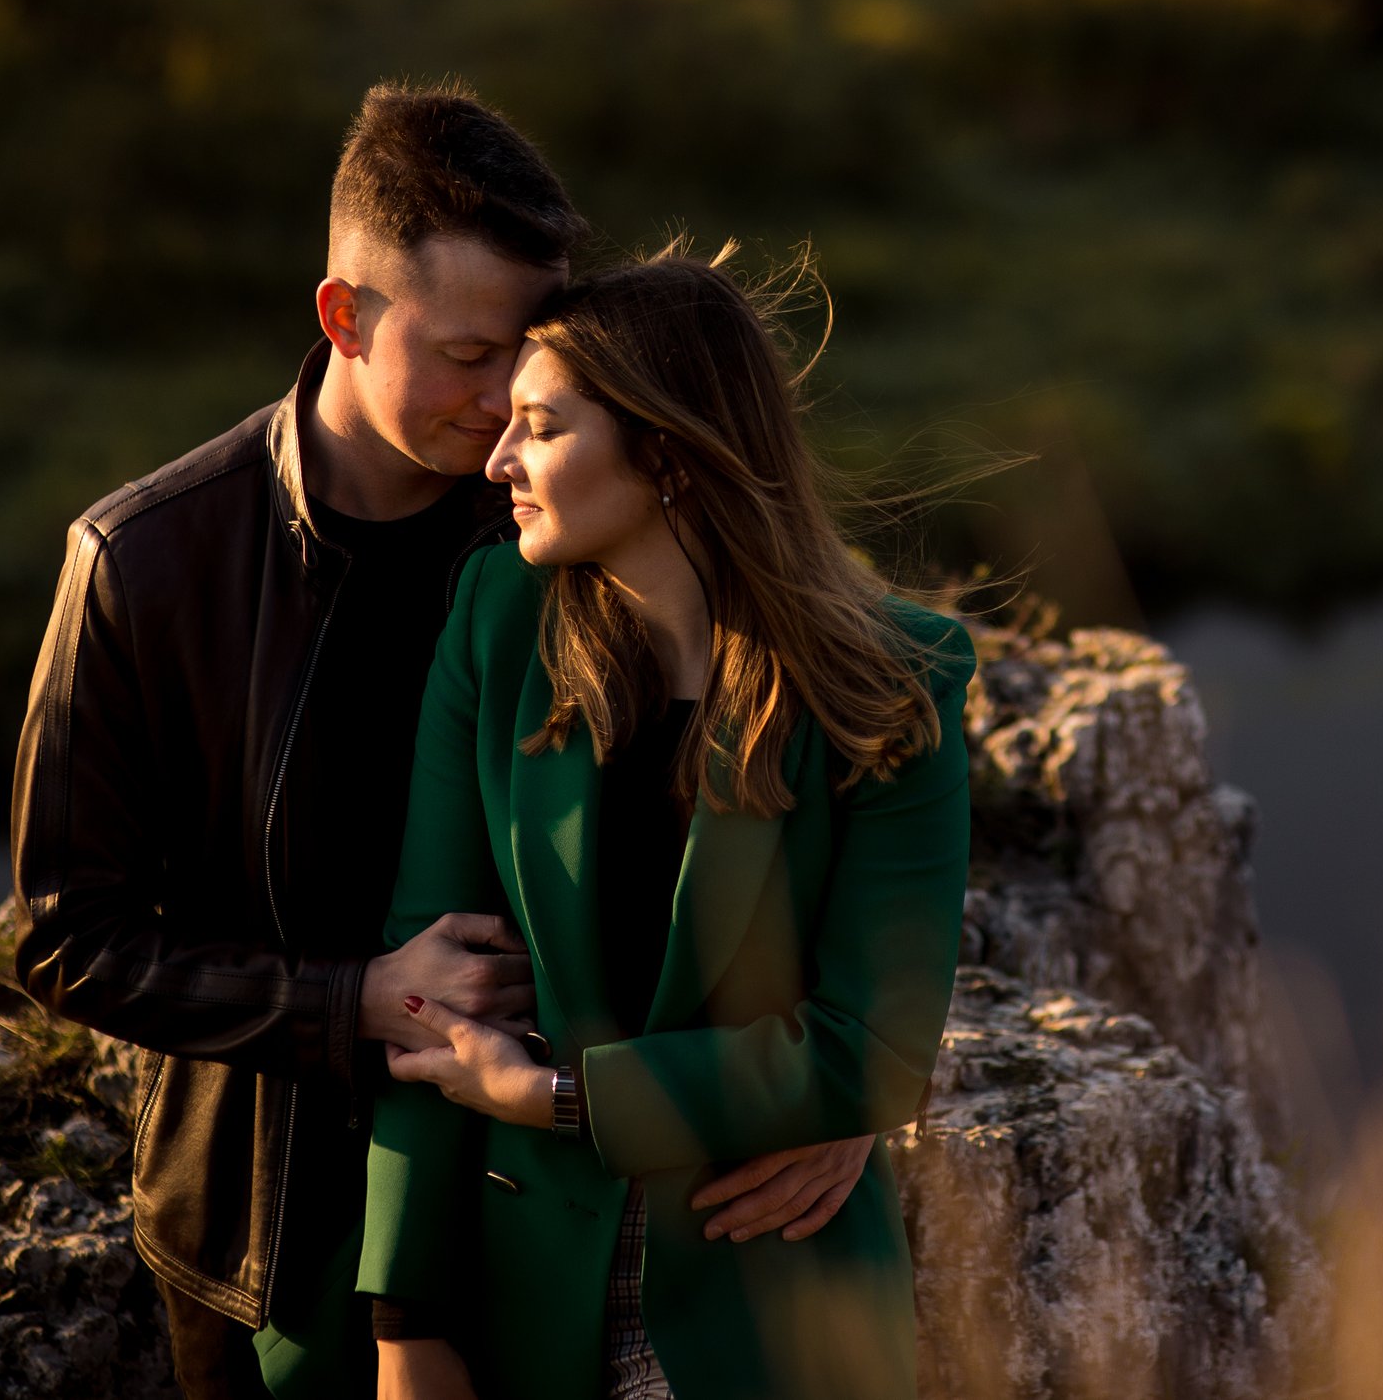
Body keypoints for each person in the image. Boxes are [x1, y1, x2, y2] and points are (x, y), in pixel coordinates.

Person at [10, 84, 876, 1400]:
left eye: (533, 350)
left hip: (564, 1199)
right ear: (343, 316)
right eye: (470, 355)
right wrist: (352, 996)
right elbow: (66, 932)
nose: (506, 399)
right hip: (272, 1232)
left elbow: (802, 773)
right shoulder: (146, 561)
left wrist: (845, 1082)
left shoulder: (580, 517)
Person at [356, 241, 977, 1400]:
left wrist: (558, 1097)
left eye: (541, 427)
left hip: (778, 1313)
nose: (498, 458)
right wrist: (404, 1322)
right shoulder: (497, 622)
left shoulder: (897, 680)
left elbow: (873, 1052)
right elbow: (428, 983)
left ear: (667, 454)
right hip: (516, 1296)